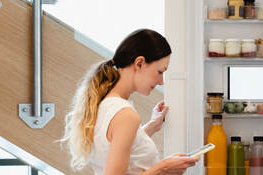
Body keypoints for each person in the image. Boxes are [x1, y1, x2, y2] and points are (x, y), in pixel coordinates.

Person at [60, 29, 199, 175]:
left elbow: (118, 147)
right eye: (160, 72)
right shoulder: (126, 115)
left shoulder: (105, 104)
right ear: (139, 63)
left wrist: (152, 126)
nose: (161, 82)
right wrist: (164, 168)